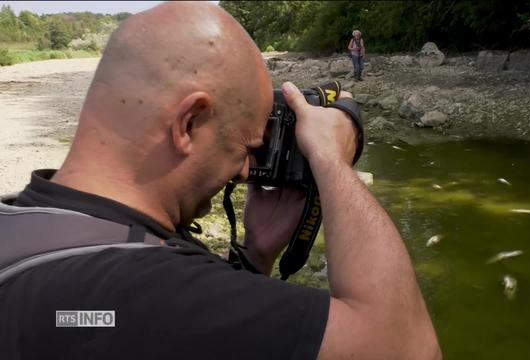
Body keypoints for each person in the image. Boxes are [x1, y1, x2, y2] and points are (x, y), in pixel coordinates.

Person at [0, 3, 440, 360]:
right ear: (189, 123)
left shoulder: (25, 227)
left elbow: (93, 322)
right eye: (246, 148)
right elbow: (408, 348)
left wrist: (256, 254)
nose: (248, 172)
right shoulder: (142, 292)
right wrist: (331, 159)